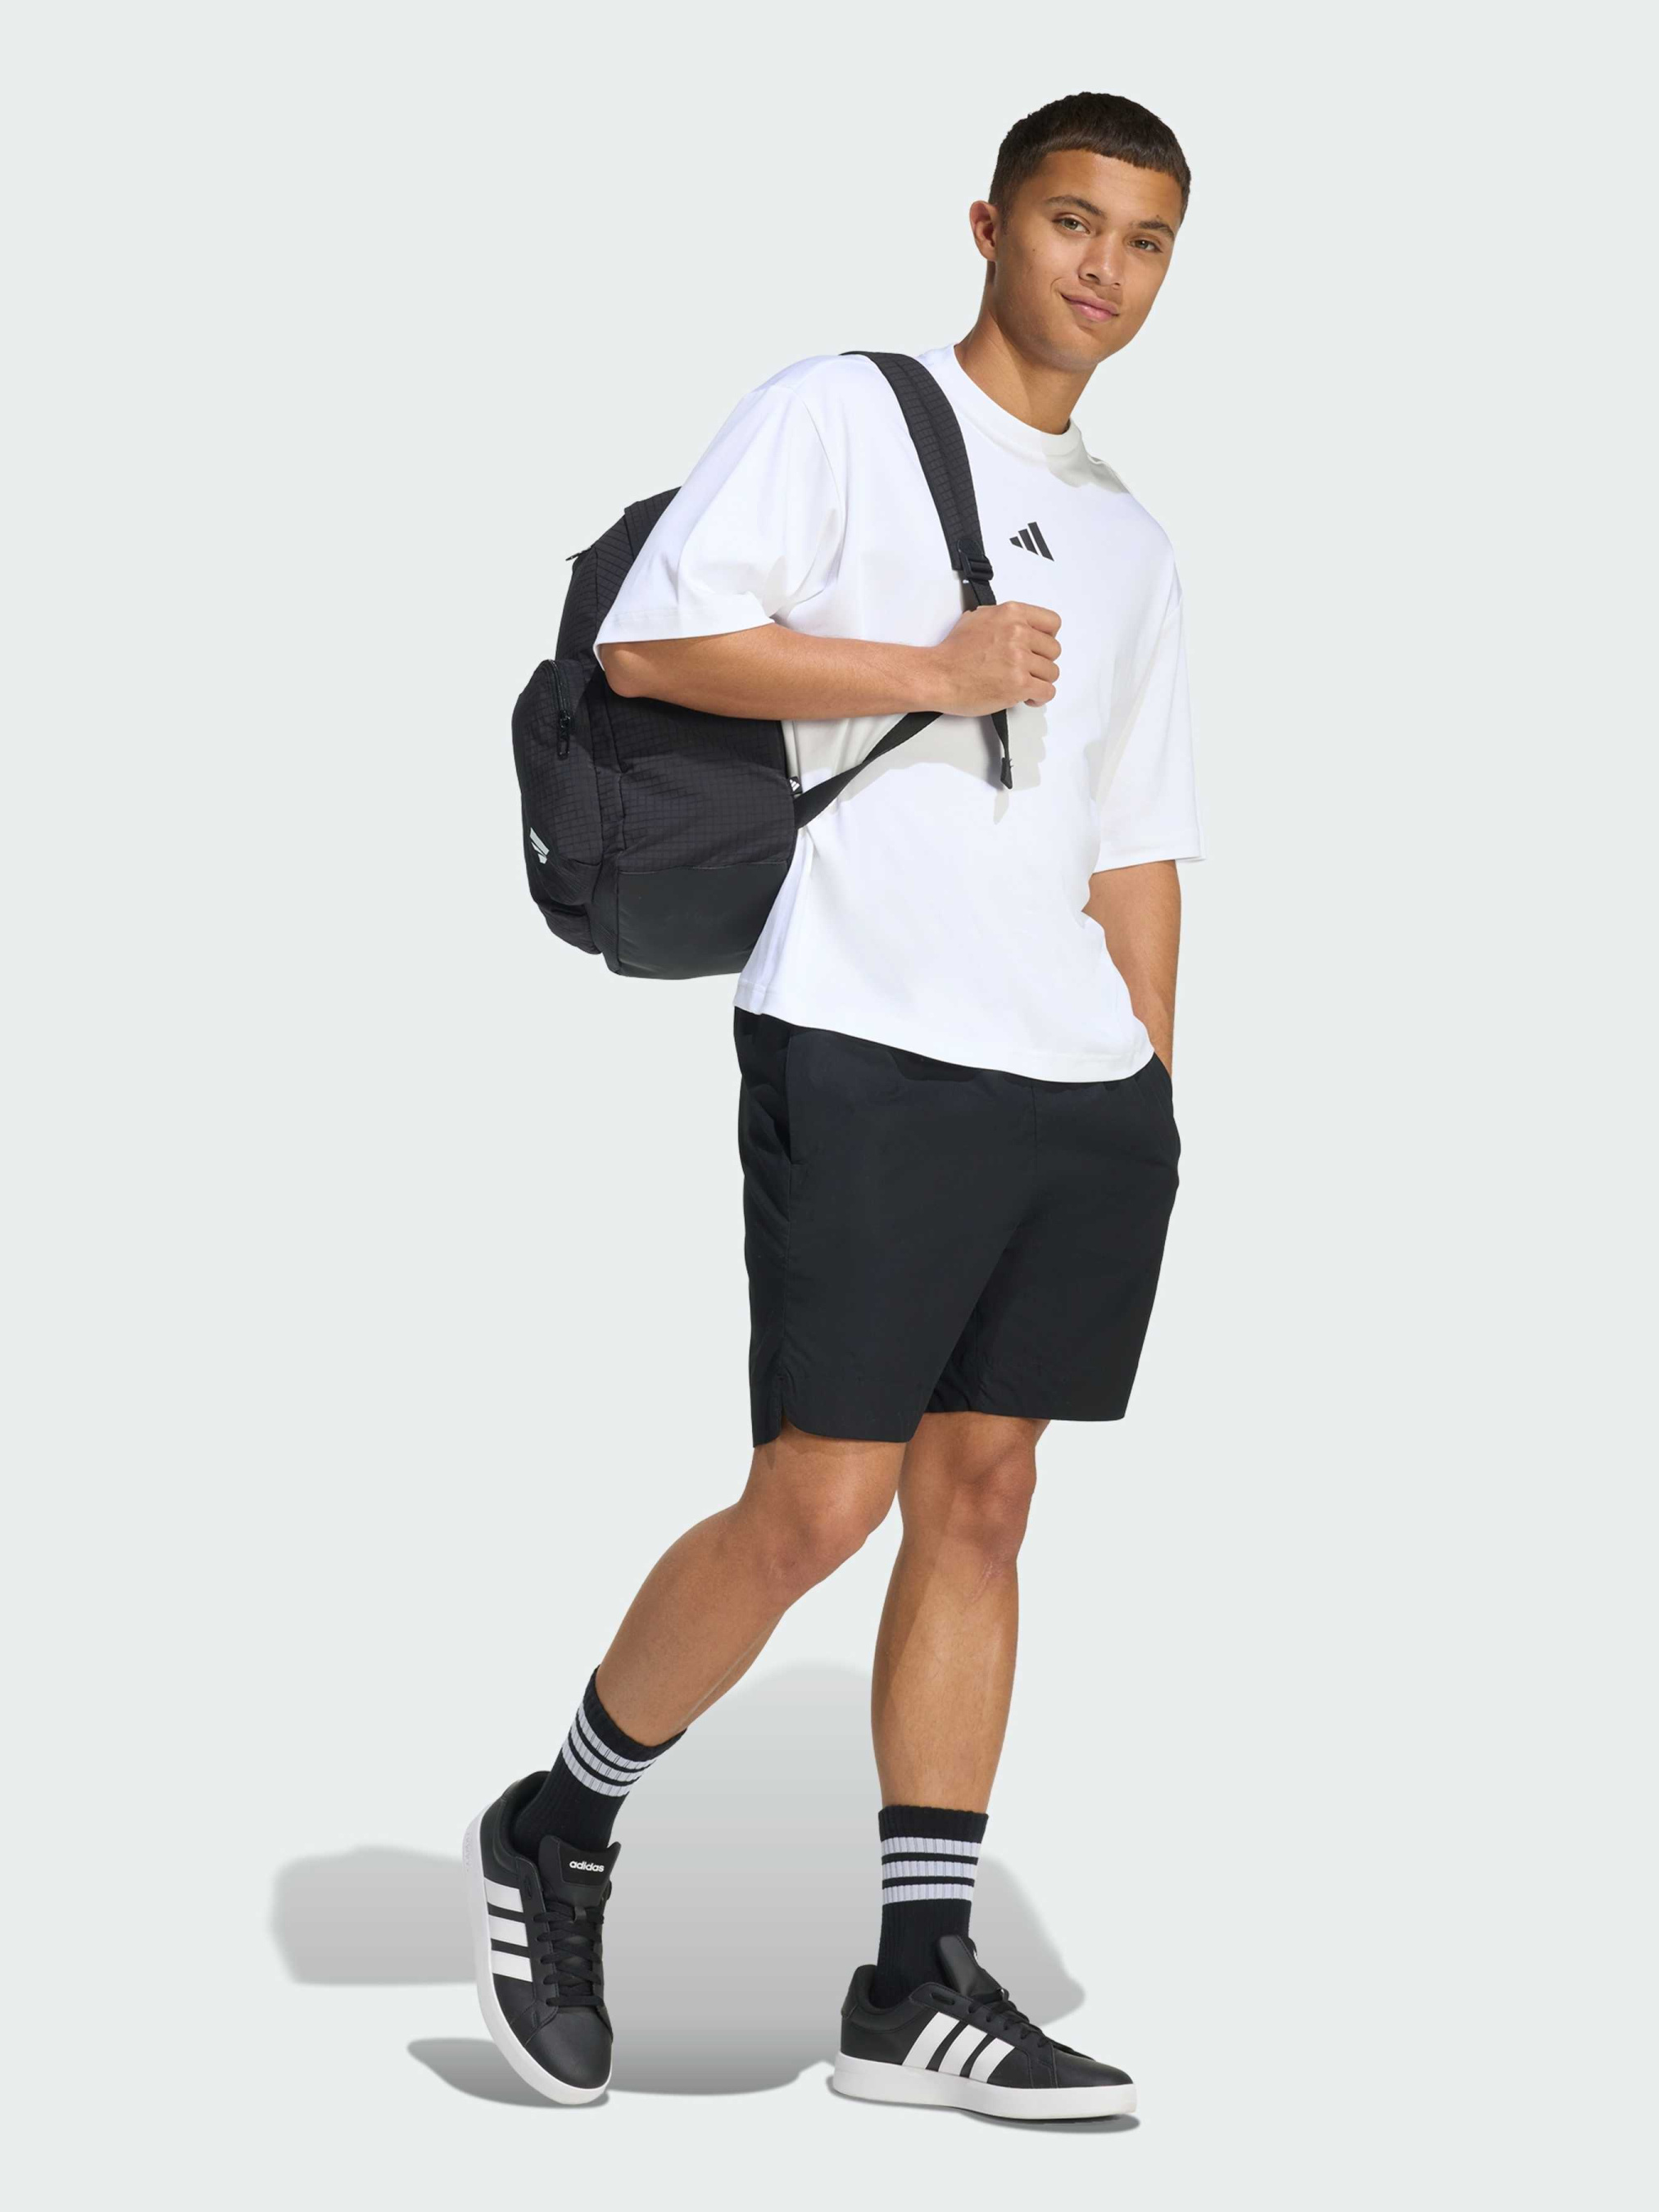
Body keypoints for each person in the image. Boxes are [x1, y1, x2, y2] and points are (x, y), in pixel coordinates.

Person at [466, 89, 1201, 2123]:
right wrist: (932, 668)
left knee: (985, 1498)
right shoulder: (844, 414)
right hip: (865, 1034)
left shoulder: (1132, 536)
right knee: (819, 1499)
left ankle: (911, 1983)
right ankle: (559, 1825)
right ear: (989, 225)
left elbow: (1136, 827)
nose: (1102, 270)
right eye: (1071, 221)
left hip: (1070, 1080)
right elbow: (653, 644)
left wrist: (1147, 1072)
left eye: (1143, 240)